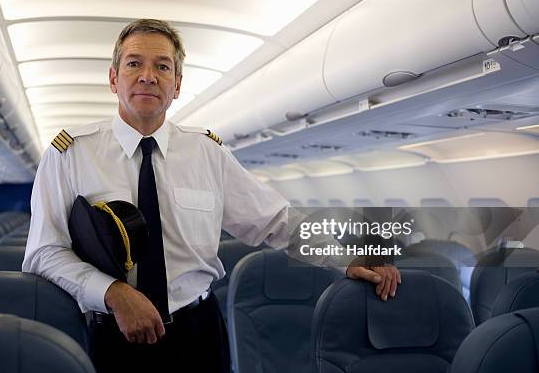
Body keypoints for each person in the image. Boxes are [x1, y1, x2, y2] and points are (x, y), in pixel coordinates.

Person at [22, 19, 401, 372]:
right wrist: (113, 293)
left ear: (178, 84)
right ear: (113, 78)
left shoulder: (208, 153)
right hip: (109, 333)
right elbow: (43, 253)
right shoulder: (69, 153)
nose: (148, 77)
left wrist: (347, 257)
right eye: (134, 64)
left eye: (163, 67)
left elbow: (277, 222)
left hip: (197, 332)